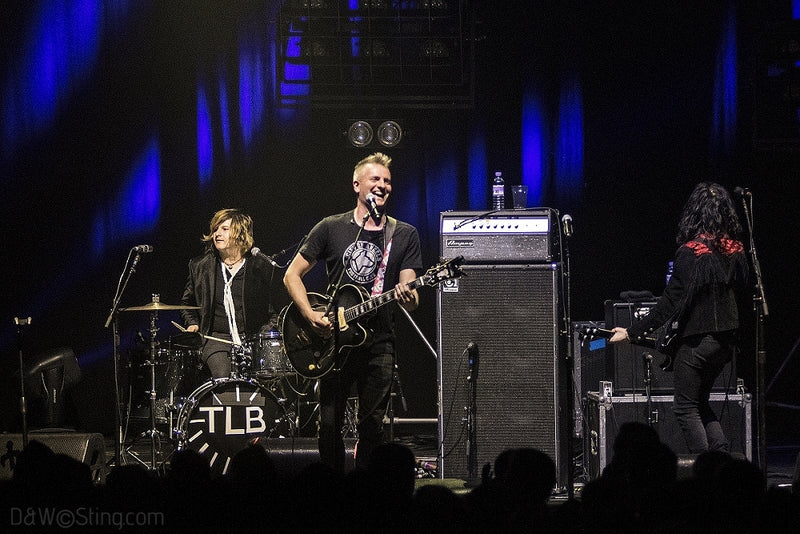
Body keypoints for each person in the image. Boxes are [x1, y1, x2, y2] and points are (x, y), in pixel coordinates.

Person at [283, 152, 422, 472]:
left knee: (372, 425)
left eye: (387, 181)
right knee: (329, 424)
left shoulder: (403, 234)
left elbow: (411, 294)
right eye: (376, 179)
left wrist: (408, 296)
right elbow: (291, 275)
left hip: (380, 340)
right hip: (333, 340)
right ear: (357, 184)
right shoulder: (331, 227)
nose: (383, 185)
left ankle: (366, 490)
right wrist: (309, 314)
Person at [609, 182, 749, 453]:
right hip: (725, 342)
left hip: (698, 343)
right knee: (700, 402)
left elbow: (670, 301)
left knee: (685, 407)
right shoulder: (735, 250)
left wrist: (631, 332)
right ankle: (719, 461)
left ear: (694, 212)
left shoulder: (691, 251)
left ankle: (705, 471)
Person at [181, 208, 278, 379]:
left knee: (265, 379)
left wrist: (264, 334)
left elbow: (275, 309)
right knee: (223, 375)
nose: (217, 233)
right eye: (215, 229)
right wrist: (193, 323)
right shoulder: (200, 266)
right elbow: (187, 303)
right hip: (217, 340)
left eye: (224, 229)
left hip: (253, 339)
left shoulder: (261, 266)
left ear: (240, 234)